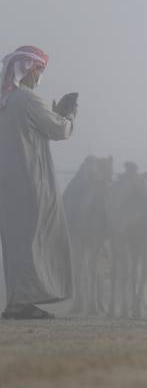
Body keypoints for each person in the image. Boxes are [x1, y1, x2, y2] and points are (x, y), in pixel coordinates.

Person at [0, 46, 77, 319]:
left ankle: (17, 301)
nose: (39, 76)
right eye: (38, 70)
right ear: (27, 68)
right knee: (34, 240)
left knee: (16, 243)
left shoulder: (5, 100)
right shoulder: (28, 99)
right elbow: (59, 130)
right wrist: (67, 116)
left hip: (7, 186)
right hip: (32, 182)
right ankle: (24, 301)